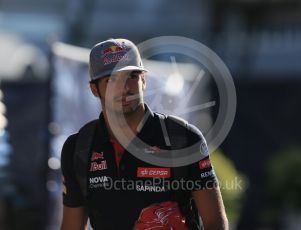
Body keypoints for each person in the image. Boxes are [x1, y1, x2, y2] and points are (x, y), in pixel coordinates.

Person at [60, 38, 229, 230]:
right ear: (94, 89)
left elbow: (216, 223)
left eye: (131, 76)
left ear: (144, 80)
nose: (124, 88)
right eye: (112, 80)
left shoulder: (182, 138)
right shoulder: (79, 147)